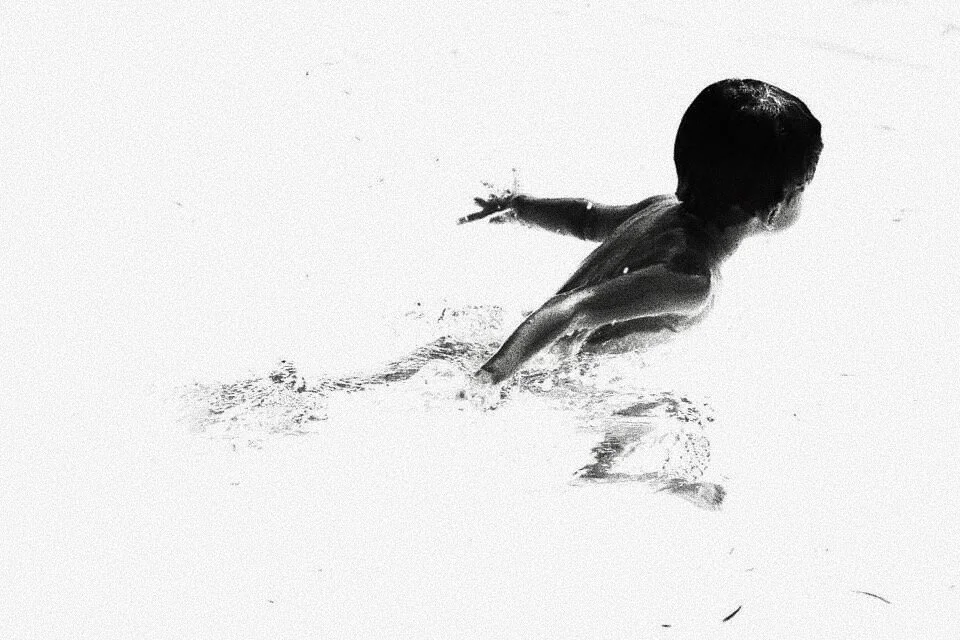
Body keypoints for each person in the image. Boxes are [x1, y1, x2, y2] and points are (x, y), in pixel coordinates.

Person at [458, 78, 823, 402]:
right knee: (679, 415)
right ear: (778, 206)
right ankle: (599, 475)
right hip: (550, 376)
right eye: (804, 189)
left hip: (530, 344)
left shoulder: (659, 209)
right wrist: (491, 377)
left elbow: (585, 219)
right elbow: (575, 309)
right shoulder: (691, 280)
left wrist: (518, 206)